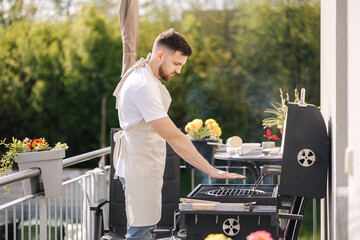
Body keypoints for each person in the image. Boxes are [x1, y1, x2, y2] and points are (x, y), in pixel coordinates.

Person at [112, 29, 245, 240]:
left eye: (181, 65)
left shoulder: (147, 75)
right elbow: (175, 138)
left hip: (144, 165)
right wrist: (212, 171)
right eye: (176, 64)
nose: (179, 71)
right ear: (160, 55)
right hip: (137, 167)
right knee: (139, 232)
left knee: (144, 228)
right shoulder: (143, 85)